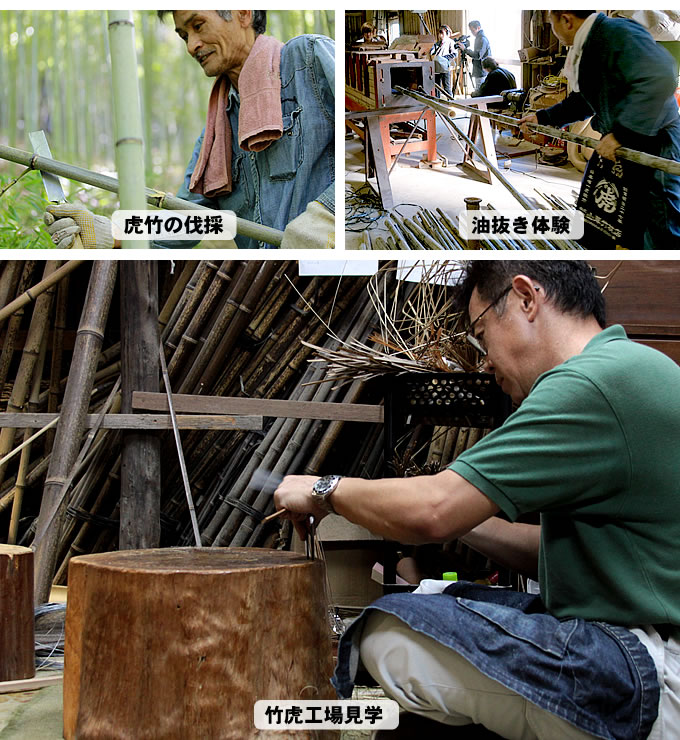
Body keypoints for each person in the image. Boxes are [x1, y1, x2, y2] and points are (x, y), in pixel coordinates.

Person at [274, 260, 680, 739]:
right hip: (636, 651)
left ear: (527, 298)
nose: (485, 362)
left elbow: (432, 511)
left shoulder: (591, 383)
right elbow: (550, 553)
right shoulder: (628, 369)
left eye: (481, 333)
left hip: (648, 673)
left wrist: (326, 490)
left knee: (391, 632)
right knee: (435, 604)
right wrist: (469, 513)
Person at [43, 10, 335, 250]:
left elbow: (372, 147)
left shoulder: (307, 60)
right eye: (184, 35)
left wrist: (328, 214)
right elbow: (188, 221)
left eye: (198, 26)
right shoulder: (216, 134)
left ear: (243, 12)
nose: (191, 46)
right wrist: (112, 233)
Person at [519, 11, 680, 249]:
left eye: (552, 23)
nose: (553, 30)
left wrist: (624, 134)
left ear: (566, 20)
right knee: (603, 216)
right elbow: (585, 99)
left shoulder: (617, 32)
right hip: (623, 143)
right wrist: (543, 117)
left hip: (655, 141)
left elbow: (663, 76)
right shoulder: (587, 45)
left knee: (660, 226)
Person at [458, 20, 491, 90]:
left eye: (473, 30)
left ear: (478, 28)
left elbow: (478, 55)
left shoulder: (482, 39)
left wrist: (465, 50)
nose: (472, 33)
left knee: (480, 91)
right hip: (480, 69)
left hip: (482, 70)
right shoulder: (479, 38)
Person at [430, 25, 456, 98]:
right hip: (437, 67)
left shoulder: (451, 42)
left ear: (447, 33)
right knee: (437, 87)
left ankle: (450, 102)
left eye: (442, 33)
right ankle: (437, 102)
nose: (440, 35)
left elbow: (454, 54)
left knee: (446, 87)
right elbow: (432, 52)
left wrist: (443, 58)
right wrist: (432, 49)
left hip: (445, 67)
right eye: (439, 33)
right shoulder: (437, 43)